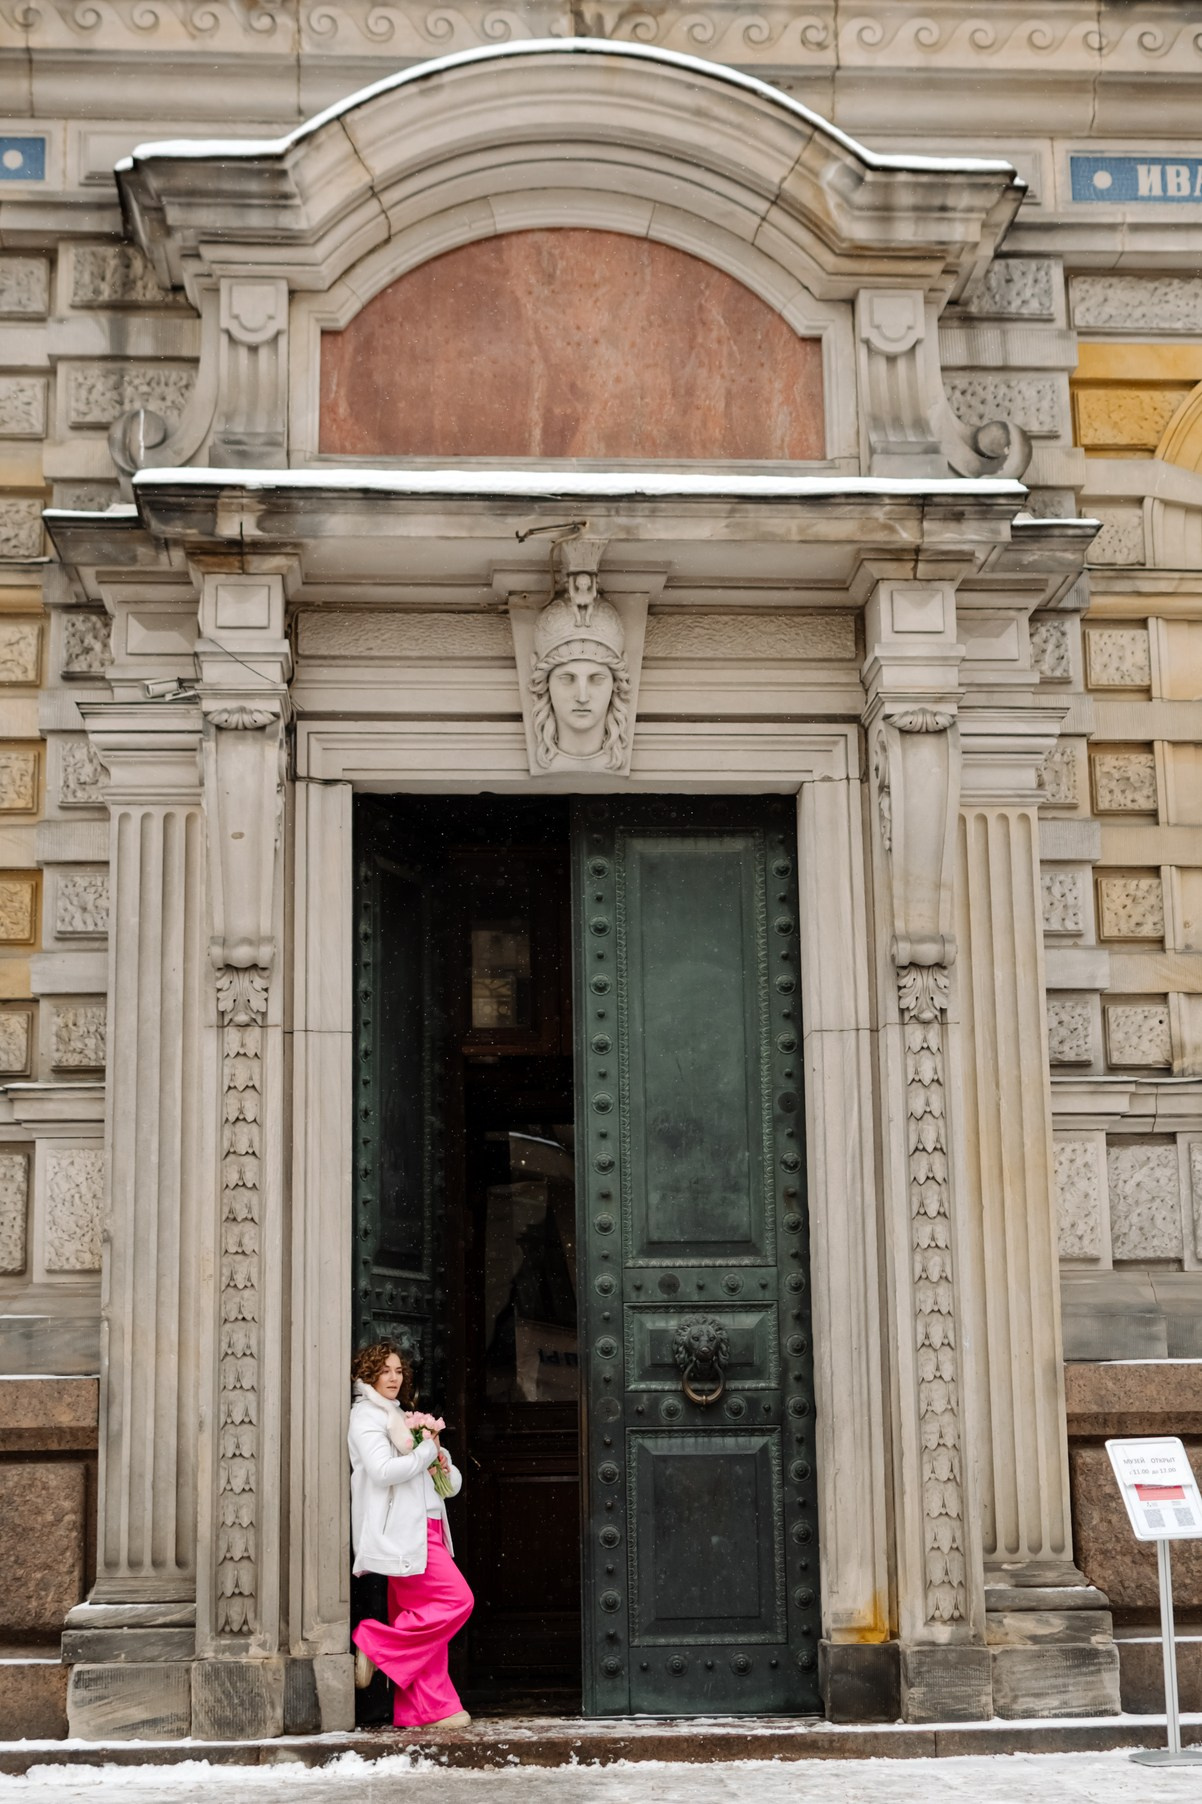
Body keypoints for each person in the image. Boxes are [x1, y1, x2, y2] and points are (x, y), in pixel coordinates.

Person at [348, 1339, 474, 1730]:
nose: (393, 1378)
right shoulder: (366, 1416)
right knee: (458, 1600)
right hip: (405, 1533)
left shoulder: (400, 1414)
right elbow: (382, 1470)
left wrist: (440, 1460)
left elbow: (447, 1487)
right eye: (384, 1370)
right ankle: (376, 1642)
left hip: (429, 1525)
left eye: (398, 1371)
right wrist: (421, 1454)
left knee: (421, 1619)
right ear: (368, 1373)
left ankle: (425, 1710)